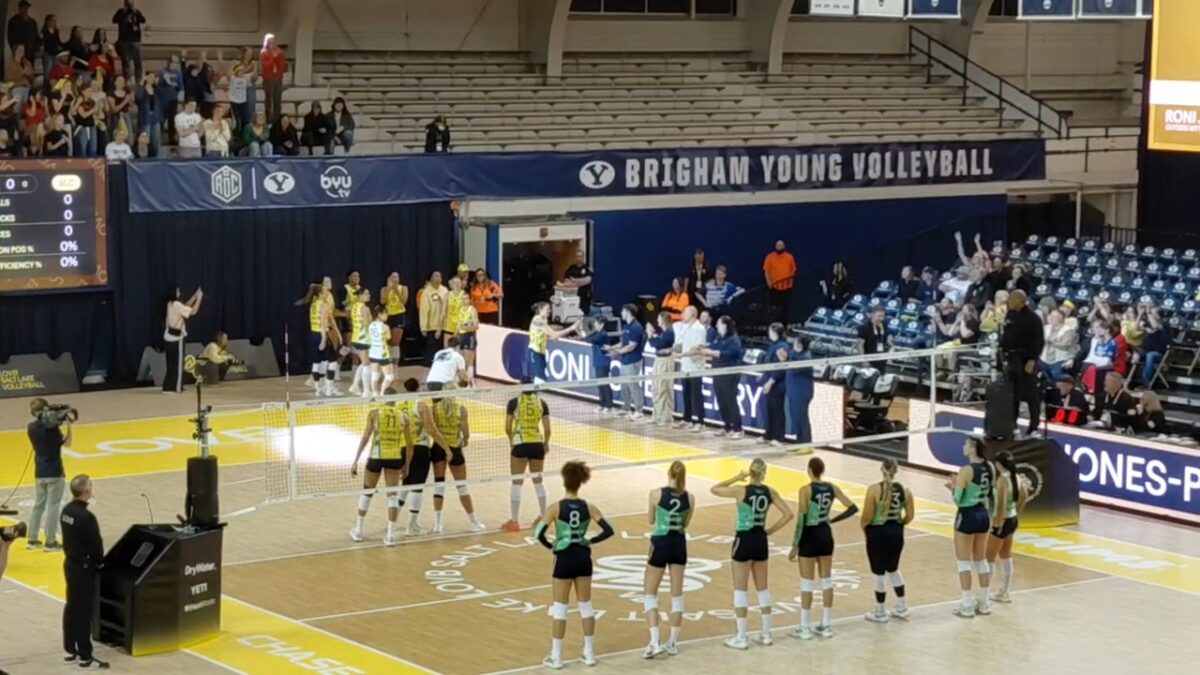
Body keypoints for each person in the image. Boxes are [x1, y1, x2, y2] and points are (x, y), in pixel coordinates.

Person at [709, 459, 793, 650]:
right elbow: (788, 514)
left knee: (740, 589)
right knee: (763, 588)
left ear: (750, 472)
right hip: (760, 540)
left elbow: (715, 489)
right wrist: (770, 530)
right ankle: (766, 634)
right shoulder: (770, 492)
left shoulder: (741, 491)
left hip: (744, 539)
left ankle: (741, 636)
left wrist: (737, 477)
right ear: (764, 472)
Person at [537, 461, 613, 670]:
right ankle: (589, 653)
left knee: (560, 607)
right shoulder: (589, 507)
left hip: (564, 558)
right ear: (581, 482)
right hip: (582, 557)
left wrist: (551, 546)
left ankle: (556, 657)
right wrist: (590, 541)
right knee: (586, 605)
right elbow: (608, 531)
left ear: (564, 480)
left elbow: (539, 533)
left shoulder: (555, 508)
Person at [788, 457, 858, 639]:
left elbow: (801, 520)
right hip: (825, 534)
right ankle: (826, 624)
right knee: (826, 580)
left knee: (807, 582)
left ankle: (804, 627)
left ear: (809, 470)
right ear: (822, 471)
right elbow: (853, 508)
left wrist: (795, 545)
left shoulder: (805, 490)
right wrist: (832, 520)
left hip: (809, 535)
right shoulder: (832, 488)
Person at [641, 461, 691, 659]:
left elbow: (651, 520)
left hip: (661, 543)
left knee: (650, 593)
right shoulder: (690, 497)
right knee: (677, 594)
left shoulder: (655, 494)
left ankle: (654, 641)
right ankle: (673, 642)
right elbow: (686, 522)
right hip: (678, 543)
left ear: (668, 473)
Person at [60, 474, 109, 669]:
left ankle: (70, 647)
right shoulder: (86, 517)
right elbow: (96, 543)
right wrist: (100, 562)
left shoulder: (66, 511)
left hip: (70, 564)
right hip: (84, 568)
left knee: (72, 606)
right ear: (86, 491)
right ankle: (84, 653)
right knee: (83, 611)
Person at [349, 395, 412, 546]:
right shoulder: (404, 417)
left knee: (367, 492)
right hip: (394, 458)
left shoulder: (375, 413)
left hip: (376, 457)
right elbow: (410, 445)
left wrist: (356, 460)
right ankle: (390, 535)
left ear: (384, 399)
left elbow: (365, 438)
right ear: (395, 400)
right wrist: (407, 465)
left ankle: (358, 531)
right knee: (392, 496)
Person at [860, 458, 914, 623]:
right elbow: (910, 516)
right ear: (895, 471)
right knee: (893, 568)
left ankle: (880, 611)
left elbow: (867, 516)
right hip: (896, 531)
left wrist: (864, 528)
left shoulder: (874, 489)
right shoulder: (905, 490)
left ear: (882, 469)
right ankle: (901, 607)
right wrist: (897, 525)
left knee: (878, 572)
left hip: (878, 531)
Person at [946, 436, 995, 618]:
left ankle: (967, 603)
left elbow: (958, 499)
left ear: (973, 448)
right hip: (983, 514)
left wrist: (953, 487)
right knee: (980, 560)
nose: (963, 446)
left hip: (967, 515)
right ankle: (984, 602)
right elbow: (992, 494)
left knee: (963, 561)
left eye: (966, 444)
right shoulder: (990, 467)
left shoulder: (966, 470)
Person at [428, 389, 484, 533]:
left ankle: (438, 524)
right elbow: (466, 433)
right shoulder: (461, 409)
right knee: (462, 486)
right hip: (455, 448)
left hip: (438, 448)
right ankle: (473, 522)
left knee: (439, 484)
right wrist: (465, 440)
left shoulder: (434, 408)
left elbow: (433, 430)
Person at [503, 380, 552, 533]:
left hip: (521, 443)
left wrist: (512, 440)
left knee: (517, 482)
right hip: (537, 444)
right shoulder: (542, 403)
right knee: (538, 481)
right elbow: (548, 429)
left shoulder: (514, 402)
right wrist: (546, 443)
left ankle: (514, 521)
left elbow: (507, 427)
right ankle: (543, 518)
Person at [26, 398, 71, 551]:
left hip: (39, 471)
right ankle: (50, 541)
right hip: (55, 472)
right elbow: (67, 443)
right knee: (53, 506)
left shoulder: (31, 427)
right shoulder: (52, 430)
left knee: (38, 505)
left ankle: (32, 538)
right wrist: (68, 424)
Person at [987, 451, 1029, 604]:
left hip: (1002, 521)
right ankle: (1005, 592)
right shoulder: (1017, 477)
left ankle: (983, 595)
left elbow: (1001, 503)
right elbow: (1024, 495)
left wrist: (997, 523)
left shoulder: (1002, 480)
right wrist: (1016, 513)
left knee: (989, 558)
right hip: (1012, 519)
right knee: (1006, 555)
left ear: (998, 464)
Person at [1001, 290, 1044, 437]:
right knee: (1013, 393)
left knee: (1031, 394)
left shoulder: (1033, 318)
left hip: (1026, 358)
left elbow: (1038, 341)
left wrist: (1032, 359)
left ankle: (1034, 426)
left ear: (1021, 301)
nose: (1009, 301)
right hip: (1011, 358)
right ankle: (1012, 424)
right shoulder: (1010, 315)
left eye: (1012, 299)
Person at [694, 316, 743, 439]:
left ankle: (738, 429)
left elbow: (731, 353)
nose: (716, 326)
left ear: (725, 325)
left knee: (730, 400)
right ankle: (727, 426)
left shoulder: (734, 339)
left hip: (729, 374)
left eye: (719, 324)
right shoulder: (718, 338)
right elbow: (712, 348)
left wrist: (713, 353)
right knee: (721, 400)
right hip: (717, 372)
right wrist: (702, 350)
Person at [606, 304, 646, 420]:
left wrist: (617, 352)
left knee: (633, 385)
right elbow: (623, 343)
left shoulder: (636, 327)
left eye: (623, 311)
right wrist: (611, 347)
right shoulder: (626, 326)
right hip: (624, 360)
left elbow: (631, 346)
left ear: (628, 312)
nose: (621, 313)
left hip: (633, 361)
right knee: (624, 385)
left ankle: (639, 410)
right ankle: (626, 407)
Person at [672, 306, 708, 432]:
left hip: (695, 367)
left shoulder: (700, 329)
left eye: (685, 313)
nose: (682, 315)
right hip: (685, 366)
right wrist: (674, 349)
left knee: (696, 395)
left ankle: (700, 422)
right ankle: (687, 419)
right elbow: (683, 344)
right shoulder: (686, 327)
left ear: (692, 314)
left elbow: (698, 349)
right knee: (686, 393)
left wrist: (682, 355)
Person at [302, 282, 340, 396]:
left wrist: (337, 333)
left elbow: (330, 319)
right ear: (320, 293)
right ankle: (329, 388)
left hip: (313, 334)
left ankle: (318, 389)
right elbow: (323, 323)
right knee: (333, 361)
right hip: (321, 334)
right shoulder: (323, 305)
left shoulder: (313, 304)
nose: (327, 292)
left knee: (318, 362)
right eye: (325, 291)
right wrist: (324, 339)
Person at [162, 286, 202, 393]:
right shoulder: (177, 305)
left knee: (171, 364)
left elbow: (185, 307)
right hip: (177, 338)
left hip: (168, 336)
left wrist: (194, 296)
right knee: (178, 365)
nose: (179, 292)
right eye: (177, 290)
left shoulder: (170, 304)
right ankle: (176, 387)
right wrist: (199, 298)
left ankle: (168, 386)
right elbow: (193, 311)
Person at [528, 301, 578, 384]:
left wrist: (551, 336)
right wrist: (571, 328)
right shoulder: (538, 321)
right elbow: (554, 334)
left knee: (540, 378)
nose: (549, 311)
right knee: (541, 380)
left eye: (549, 309)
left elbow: (547, 333)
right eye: (547, 309)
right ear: (540, 310)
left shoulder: (544, 319)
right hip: (535, 352)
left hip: (541, 352)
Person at [784, 333, 814, 444]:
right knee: (796, 418)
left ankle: (806, 444)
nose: (793, 344)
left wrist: (784, 361)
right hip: (793, 391)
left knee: (802, 418)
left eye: (795, 342)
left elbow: (792, 368)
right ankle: (799, 443)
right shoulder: (793, 353)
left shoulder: (806, 358)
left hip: (801, 393)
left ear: (800, 345)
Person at [761, 322, 788, 446]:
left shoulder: (782, 346)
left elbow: (781, 367)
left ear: (776, 333)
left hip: (778, 384)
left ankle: (778, 437)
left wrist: (771, 381)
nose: (768, 333)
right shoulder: (773, 345)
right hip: (769, 381)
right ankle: (769, 434)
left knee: (777, 410)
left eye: (770, 331)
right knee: (770, 409)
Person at [647, 312, 676, 426]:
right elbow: (656, 343)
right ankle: (656, 415)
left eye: (658, 318)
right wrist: (652, 335)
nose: (657, 320)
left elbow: (657, 344)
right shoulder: (663, 333)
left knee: (663, 389)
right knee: (656, 388)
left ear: (664, 320)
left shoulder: (669, 333)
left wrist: (650, 334)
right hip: (658, 360)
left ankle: (665, 418)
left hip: (665, 362)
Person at [581, 317, 614, 414]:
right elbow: (588, 337)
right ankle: (602, 404)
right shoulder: (597, 333)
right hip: (598, 362)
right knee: (600, 384)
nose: (595, 324)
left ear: (602, 324)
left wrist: (582, 332)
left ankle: (609, 405)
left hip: (603, 362)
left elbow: (590, 339)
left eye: (596, 323)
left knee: (604, 384)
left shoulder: (603, 334)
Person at [347, 287, 373, 399]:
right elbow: (367, 325)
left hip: (356, 337)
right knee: (367, 364)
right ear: (360, 296)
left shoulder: (354, 307)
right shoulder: (365, 308)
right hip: (363, 338)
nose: (369, 295)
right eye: (366, 294)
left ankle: (355, 386)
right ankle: (366, 391)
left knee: (364, 363)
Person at [418, 270, 448, 366]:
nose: (438, 278)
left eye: (440, 276)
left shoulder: (445, 290)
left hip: (444, 325)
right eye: (436, 276)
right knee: (432, 350)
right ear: (431, 279)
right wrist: (423, 326)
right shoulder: (426, 291)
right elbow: (423, 310)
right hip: (431, 325)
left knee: (442, 349)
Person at [1040, 308, 1078, 383]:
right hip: (1043, 359)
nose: (1050, 317)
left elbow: (1065, 344)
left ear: (1060, 318)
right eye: (1050, 315)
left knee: (1057, 381)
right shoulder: (1046, 328)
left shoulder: (1068, 330)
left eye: (1053, 316)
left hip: (1058, 361)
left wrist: (1050, 341)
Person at [763, 240, 797, 323]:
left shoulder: (790, 257)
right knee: (775, 309)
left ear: (784, 246)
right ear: (775, 246)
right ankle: (774, 325)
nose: (779, 247)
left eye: (781, 245)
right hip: (774, 288)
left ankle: (784, 325)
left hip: (787, 288)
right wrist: (769, 283)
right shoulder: (770, 257)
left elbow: (793, 271)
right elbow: (766, 271)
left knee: (786, 309)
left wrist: (790, 283)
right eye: (778, 245)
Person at [380, 271, 408, 368]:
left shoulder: (403, 288)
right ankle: (387, 363)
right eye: (393, 277)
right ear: (389, 279)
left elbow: (404, 301)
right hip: (387, 316)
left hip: (398, 315)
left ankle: (395, 365)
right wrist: (389, 289)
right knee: (387, 341)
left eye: (397, 277)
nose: (395, 279)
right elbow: (382, 301)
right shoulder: (384, 289)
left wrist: (396, 290)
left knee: (395, 342)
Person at [365, 305, 395, 396]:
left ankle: (375, 394)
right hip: (383, 353)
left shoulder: (370, 325)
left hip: (373, 352)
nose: (387, 315)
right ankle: (382, 394)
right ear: (379, 314)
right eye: (385, 313)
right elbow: (388, 338)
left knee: (375, 375)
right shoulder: (385, 327)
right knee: (389, 376)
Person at [558, 248, 594, 316]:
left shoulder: (587, 268)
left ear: (583, 257)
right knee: (572, 314)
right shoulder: (571, 268)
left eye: (580, 256)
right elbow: (566, 280)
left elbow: (587, 280)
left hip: (584, 296)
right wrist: (579, 282)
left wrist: (574, 280)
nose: (578, 258)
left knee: (584, 314)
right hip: (572, 296)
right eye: (577, 256)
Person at [260, 34, 285, 123]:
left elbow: (282, 66)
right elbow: (265, 65)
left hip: (277, 78)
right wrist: (273, 57)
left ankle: (277, 120)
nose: (272, 43)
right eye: (270, 42)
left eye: (273, 41)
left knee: (277, 100)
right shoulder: (264, 52)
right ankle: (268, 120)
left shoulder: (280, 52)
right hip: (268, 78)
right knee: (268, 100)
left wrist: (278, 76)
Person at [6, 2, 39, 69]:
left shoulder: (32, 22)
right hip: (19, 50)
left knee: (29, 69)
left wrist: (36, 49)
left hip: (30, 51)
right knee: (19, 69)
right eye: (24, 8)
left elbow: (35, 36)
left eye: (27, 8)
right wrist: (14, 48)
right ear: (20, 8)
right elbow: (11, 37)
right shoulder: (13, 21)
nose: (26, 10)